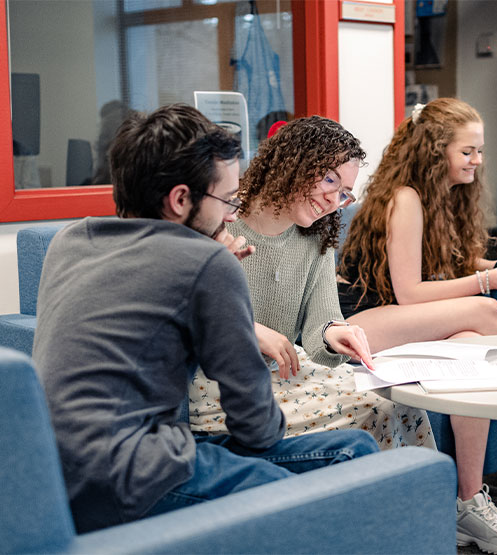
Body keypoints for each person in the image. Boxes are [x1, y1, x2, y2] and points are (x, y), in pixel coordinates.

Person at [31, 104, 378, 533]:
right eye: (228, 200)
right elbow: (256, 428)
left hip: (48, 470)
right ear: (180, 199)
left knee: (355, 446)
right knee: (319, 488)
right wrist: (216, 272)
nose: (234, 214)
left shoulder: (70, 240)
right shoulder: (207, 264)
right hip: (132, 473)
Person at [337, 98, 497, 554]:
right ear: (436, 153)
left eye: (480, 150)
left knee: (473, 346)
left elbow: (441, 262)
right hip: (358, 321)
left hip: (399, 315)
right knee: (487, 311)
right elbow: (411, 291)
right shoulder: (405, 197)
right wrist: (488, 280)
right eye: (468, 151)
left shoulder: (441, 195)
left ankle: (467, 499)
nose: (479, 161)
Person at [189, 115, 435, 449]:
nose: (335, 201)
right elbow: (185, 308)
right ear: (294, 164)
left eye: (345, 193)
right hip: (219, 383)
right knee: (375, 408)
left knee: (402, 401)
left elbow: (322, 322)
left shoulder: (315, 237)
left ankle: (438, 501)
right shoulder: (221, 217)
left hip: (286, 372)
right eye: (330, 180)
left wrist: (336, 334)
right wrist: (246, 328)